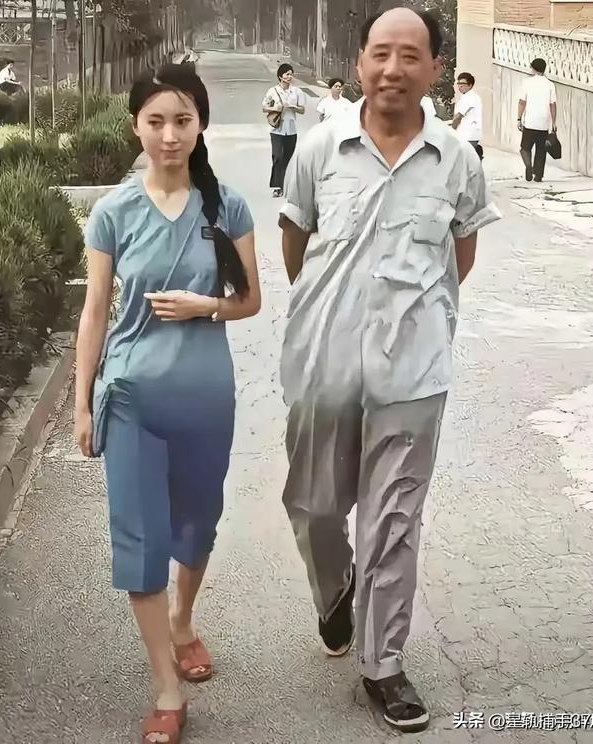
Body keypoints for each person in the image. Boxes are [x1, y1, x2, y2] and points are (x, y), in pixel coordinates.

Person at [278, 7, 500, 734]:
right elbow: (295, 241)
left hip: (414, 371)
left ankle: (384, 663)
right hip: (325, 361)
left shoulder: (457, 160)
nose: (393, 69)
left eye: (410, 55)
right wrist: (332, 311)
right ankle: (335, 589)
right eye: (380, 53)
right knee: (314, 506)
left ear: (435, 68)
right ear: (360, 61)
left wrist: (418, 318)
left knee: (394, 518)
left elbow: (460, 256)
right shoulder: (318, 147)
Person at [74, 63, 261, 744]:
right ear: (136, 126)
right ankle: (165, 686)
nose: (169, 134)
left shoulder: (226, 207)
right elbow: (95, 311)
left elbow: (250, 300)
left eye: (182, 120)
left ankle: (183, 621)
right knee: (140, 540)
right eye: (156, 121)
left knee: (198, 524)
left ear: (200, 124)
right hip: (131, 398)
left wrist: (203, 306)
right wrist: (83, 403)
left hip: (205, 399)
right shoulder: (114, 212)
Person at [262, 63, 306, 198]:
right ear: (280, 76)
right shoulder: (273, 91)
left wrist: (292, 106)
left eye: (291, 74)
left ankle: (285, 185)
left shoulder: (296, 91)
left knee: (288, 158)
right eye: (287, 74)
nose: (290, 76)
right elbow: (264, 107)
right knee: (277, 156)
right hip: (276, 130)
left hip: (291, 130)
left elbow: (302, 110)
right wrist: (277, 108)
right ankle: (277, 186)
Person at [518, 58, 557, 182]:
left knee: (525, 148)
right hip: (543, 122)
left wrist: (519, 118)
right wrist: (553, 122)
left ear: (533, 68)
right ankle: (538, 176)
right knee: (541, 149)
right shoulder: (550, 84)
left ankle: (529, 166)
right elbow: (553, 104)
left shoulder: (527, 82)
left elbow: (522, 102)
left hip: (530, 121)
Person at [451, 72, 483, 160]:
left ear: (470, 85)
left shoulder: (471, 98)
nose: (459, 86)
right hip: (464, 134)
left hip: (469, 135)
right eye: (458, 83)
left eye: (462, 84)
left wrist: (451, 130)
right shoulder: (464, 97)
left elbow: (458, 116)